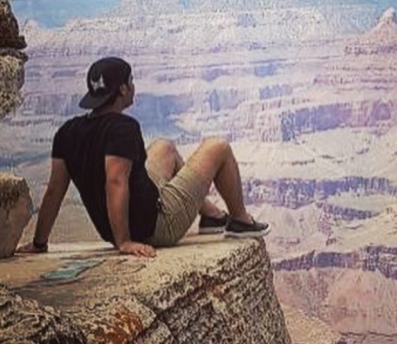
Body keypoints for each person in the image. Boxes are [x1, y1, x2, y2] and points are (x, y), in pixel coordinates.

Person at [17, 57, 269, 258]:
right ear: (123, 89)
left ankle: (212, 215)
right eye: (131, 81)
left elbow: (53, 191)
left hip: (114, 227)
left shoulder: (67, 132)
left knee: (164, 147)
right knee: (218, 147)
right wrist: (124, 242)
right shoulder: (123, 128)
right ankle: (240, 220)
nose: (134, 87)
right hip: (156, 227)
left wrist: (40, 242)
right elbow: (115, 182)